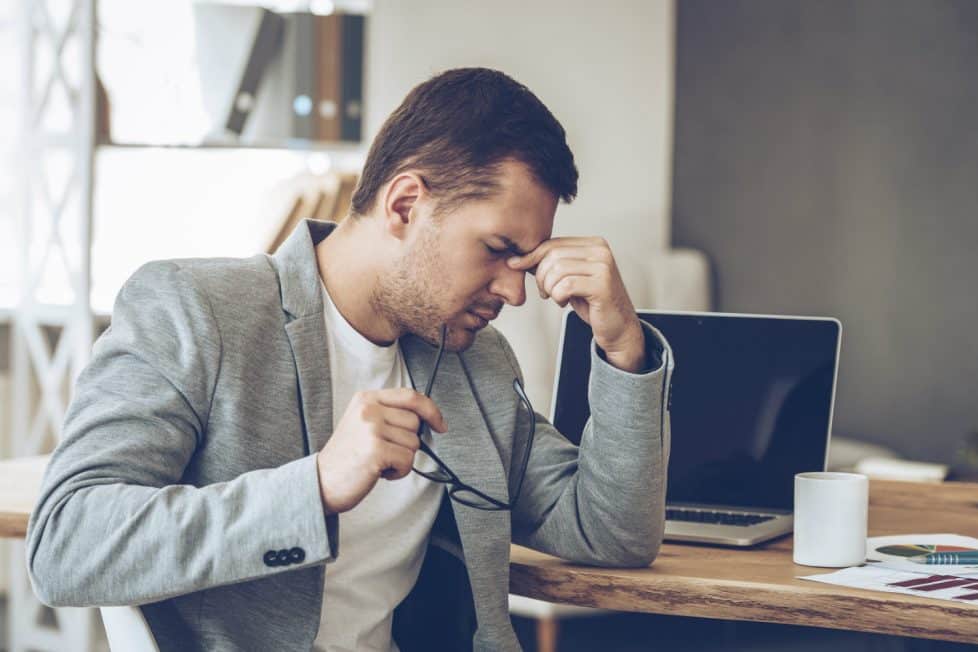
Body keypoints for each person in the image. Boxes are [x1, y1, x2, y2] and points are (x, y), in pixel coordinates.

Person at [26, 67, 673, 652]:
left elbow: (609, 534)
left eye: (525, 262)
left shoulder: (474, 364)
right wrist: (313, 488)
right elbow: (66, 544)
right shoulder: (196, 311)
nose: (513, 290)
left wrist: (622, 350)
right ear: (404, 205)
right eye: (499, 249)